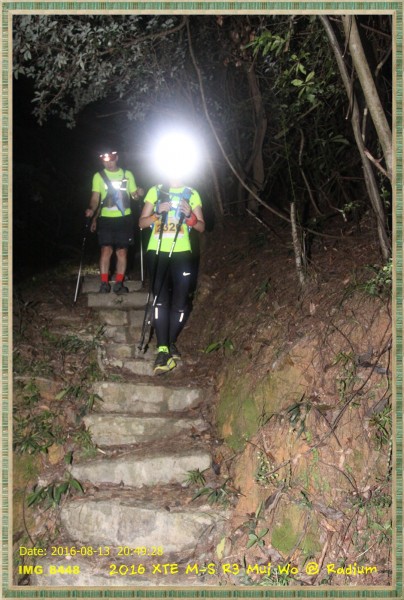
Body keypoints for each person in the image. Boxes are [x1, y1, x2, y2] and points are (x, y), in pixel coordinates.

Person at [139, 180, 205, 374]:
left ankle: (169, 342)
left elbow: (201, 226)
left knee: (181, 303)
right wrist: (156, 213)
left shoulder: (192, 193)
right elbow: (141, 223)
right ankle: (163, 350)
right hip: (157, 251)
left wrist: (190, 216)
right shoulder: (156, 191)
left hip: (182, 253)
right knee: (160, 300)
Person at [85, 150, 144, 294]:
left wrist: (138, 193)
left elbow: (134, 196)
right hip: (106, 219)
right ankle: (104, 283)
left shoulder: (127, 174)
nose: (108, 163)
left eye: (111, 160)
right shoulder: (98, 176)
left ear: (116, 158)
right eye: (105, 161)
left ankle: (119, 283)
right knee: (106, 250)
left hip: (124, 218)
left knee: (122, 252)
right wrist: (91, 210)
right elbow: (95, 198)